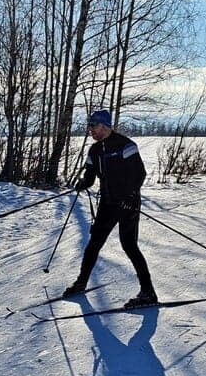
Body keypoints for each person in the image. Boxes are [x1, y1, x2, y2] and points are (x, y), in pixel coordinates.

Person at [64, 109, 157, 308]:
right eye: (89, 126)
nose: (91, 130)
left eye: (94, 126)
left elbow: (139, 174)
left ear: (106, 126)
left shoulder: (126, 145)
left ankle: (148, 292)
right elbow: (89, 178)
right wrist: (82, 183)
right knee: (94, 243)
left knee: (129, 245)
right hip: (107, 203)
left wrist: (131, 197)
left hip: (127, 203)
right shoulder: (94, 151)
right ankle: (81, 283)